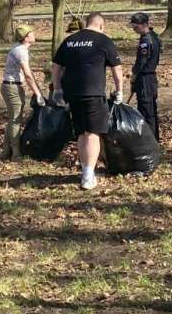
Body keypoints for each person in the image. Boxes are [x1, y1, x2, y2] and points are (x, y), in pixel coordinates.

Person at [51, 12, 123, 190]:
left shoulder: (70, 41)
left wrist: (58, 89)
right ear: (101, 25)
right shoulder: (104, 41)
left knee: (81, 133)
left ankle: (85, 170)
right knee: (92, 134)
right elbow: (117, 69)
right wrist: (119, 90)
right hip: (93, 93)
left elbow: (56, 67)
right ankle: (88, 176)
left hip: (72, 93)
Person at [1, 25, 45, 161]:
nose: (34, 34)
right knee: (15, 120)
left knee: (13, 119)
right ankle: (16, 154)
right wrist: (38, 94)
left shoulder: (20, 49)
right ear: (26, 37)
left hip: (11, 86)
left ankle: (5, 152)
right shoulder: (21, 51)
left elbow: (29, 73)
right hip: (12, 87)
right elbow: (28, 75)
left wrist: (38, 90)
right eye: (32, 33)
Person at [129, 12, 162, 141]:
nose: (134, 29)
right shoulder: (153, 36)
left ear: (143, 25)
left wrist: (134, 77)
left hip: (145, 79)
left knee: (146, 112)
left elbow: (141, 62)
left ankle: (150, 142)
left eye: (136, 26)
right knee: (151, 111)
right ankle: (154, 140)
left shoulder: (146, 40)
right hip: (150, 79)